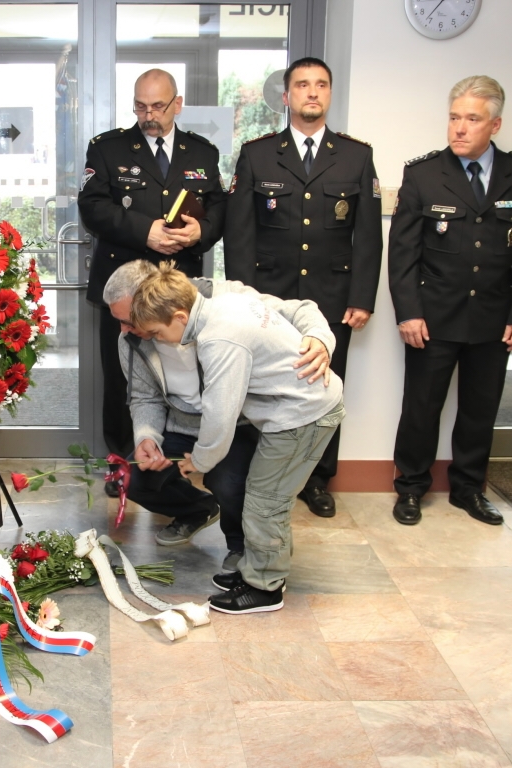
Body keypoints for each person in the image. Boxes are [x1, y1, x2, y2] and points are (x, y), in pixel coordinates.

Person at [130, 262, 344, 613]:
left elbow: (220, 413)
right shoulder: (224, 308)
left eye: (155, 332)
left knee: (265, 502)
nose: (155, 340)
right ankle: (256, 569)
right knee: (264, 497)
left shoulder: (219, 339)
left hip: (303, 417)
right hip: (294, 414)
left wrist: (199, 461)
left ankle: (264, 587)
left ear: (180, 316)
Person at [224, 57, 382, 519]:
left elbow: (368, 234)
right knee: (262, 389)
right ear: (286, 96)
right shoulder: (257, 154)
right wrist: (241, 298)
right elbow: (240, 233)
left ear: (330, 94)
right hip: (269, 301)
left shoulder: (355, 155)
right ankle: (259, 475)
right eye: (302, 85)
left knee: (327, 389)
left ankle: (318, 479)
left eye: (321, 85)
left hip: (333, 301)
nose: (312, 93)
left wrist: (361, 297)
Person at [388, 75, 512, 526]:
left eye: (471, 119)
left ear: (494, 124)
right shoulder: (424, 174)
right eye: (454, 117)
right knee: (421, 407)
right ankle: (411, 488)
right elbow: (402, 254)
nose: (459, 128)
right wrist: (409, 312)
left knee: (480, 408)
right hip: (433, 317)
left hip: (494, 317)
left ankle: (468, 489)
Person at [79, 68, 228, 462]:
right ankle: (123, 461)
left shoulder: (202, 153)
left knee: (186, 376)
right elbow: (92, 208)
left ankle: (181, 456)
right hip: (125, 290)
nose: (148, 115)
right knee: (123, 380)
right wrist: (145, 231)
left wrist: (201, 231)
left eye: (158, 106)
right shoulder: (108, 148)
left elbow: (218, 211)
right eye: (140, 106)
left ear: (177, 105)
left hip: (180, 290)